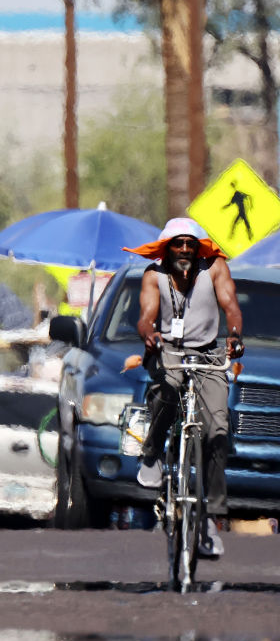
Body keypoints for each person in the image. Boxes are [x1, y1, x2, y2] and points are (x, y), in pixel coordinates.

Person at [123, 217, 244, 558]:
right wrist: (148, 333)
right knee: (170, 386)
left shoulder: (215, 268)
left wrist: (234, 336)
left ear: (199, 247)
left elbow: (231, 307)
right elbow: (146, 316)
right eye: (178, 243)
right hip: (168, 351)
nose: (185, 250)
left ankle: (209, 519)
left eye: (191, 243)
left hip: (208, 355)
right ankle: (151, 455)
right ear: (167, 248)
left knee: (218, 428)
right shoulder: (154, 275)